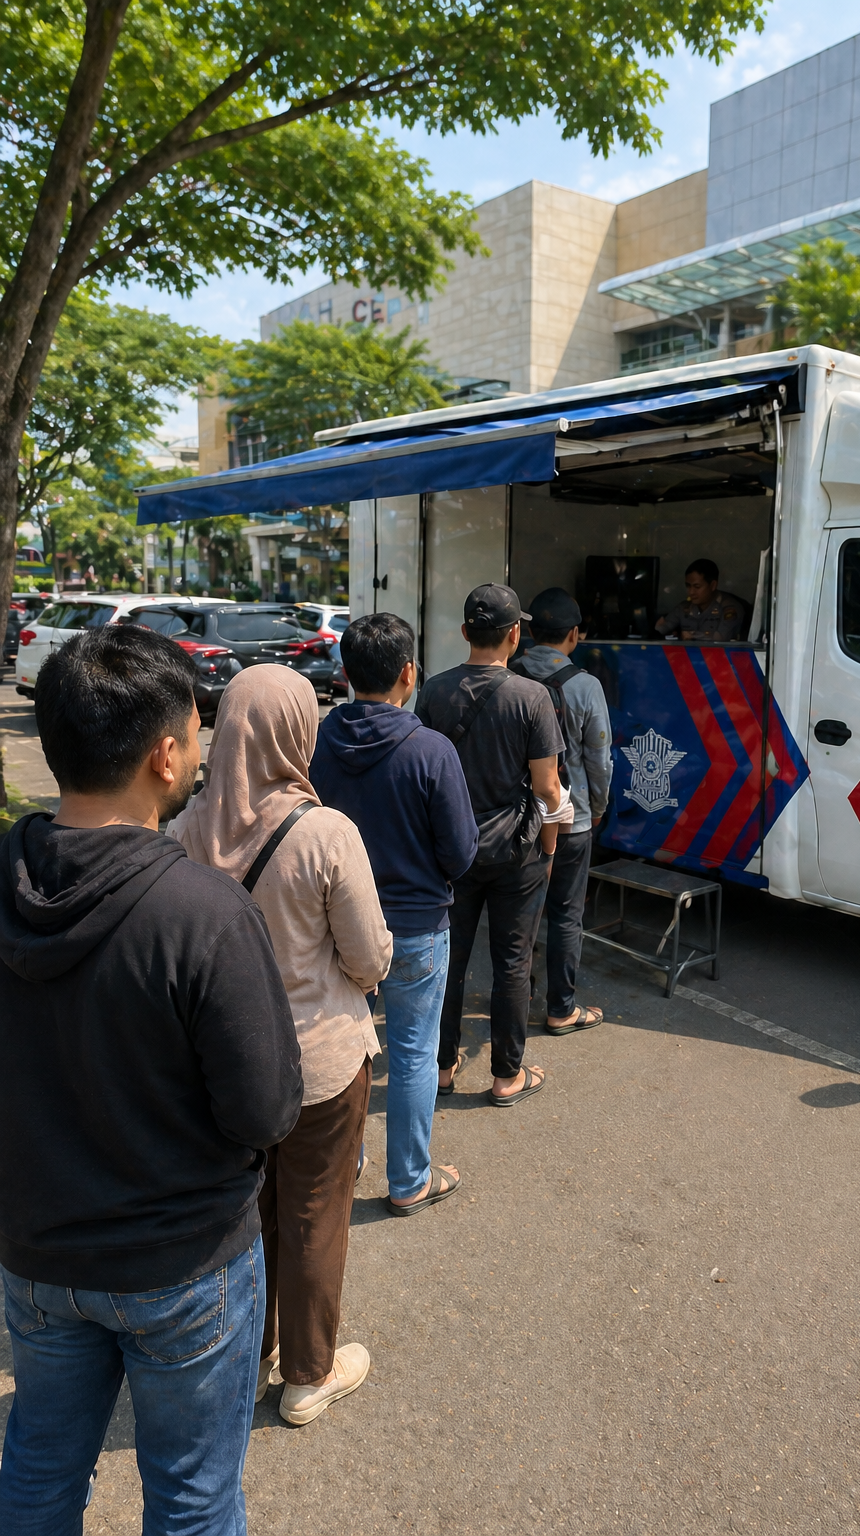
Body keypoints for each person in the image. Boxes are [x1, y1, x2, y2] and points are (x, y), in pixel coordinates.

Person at [0, 626, 302, 1531]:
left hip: (36, 1250)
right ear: (164, 756)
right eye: (196, 735)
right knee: (193, 1497)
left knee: (39, 1468)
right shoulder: (203, 913)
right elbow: (265, 1109)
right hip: (182, 1260)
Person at [170, 666, 392, 1427]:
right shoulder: (326, 833)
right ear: (299, 732)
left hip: (223, 1066)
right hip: (321, 1063)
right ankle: (307, 1375)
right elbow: (368, 957)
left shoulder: (184, 831)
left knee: (248, 1215)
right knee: (315, 1215)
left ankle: (253, 1347)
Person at [310, 613, 478, 1216]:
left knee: (350, 1051)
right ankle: (409, 1181)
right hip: (416, 927)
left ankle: (342, 1166)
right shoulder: (431, 751)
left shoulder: (318, 743)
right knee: (411, 1054)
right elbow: (460, 853)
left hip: (339, 926)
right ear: (409, 673)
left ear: (346, 672)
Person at [415, 584, 565, 1107]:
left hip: (449, 851)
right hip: (515, 852)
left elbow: (423, 775)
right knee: (513, 962)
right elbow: (548, 788)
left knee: (448, 960)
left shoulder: (434, 692)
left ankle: (441, 1067)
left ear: (465, 632)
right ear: (515, 635)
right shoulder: (532, 697)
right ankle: (506, 1076)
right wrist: (550, 846)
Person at [513, 587, 613, 1034]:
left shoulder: (509, 676)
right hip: (570, 818)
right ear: (574, 634)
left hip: (518, 817)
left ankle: (519, 995)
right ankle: (561, 1008)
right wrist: (597, 807)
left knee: (520, 914)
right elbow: (599, 760)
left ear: (531, 632)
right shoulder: (585, 686)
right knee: (566, 914)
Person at [655, 559, 745, 642]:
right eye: (688, 586)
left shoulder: (729, 608)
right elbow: (660, 630)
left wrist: (692, 635)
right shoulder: (684, 607)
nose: (691, 592)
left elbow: (722, 638)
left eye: (697, 587)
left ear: (713, 585)